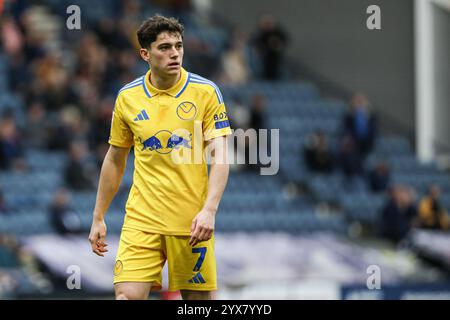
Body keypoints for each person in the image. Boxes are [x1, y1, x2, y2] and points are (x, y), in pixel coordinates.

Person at [88, 15, 231, 300]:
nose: (175, 53)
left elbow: (221, 155)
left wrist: (209, 210)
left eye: (178, 45)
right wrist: (98, 216)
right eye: (164, 47)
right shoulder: (128, 97)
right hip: (142, 219)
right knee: (126, 297)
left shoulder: (205, 92)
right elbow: (115, 158)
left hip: (190, 223)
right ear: (145, 53)